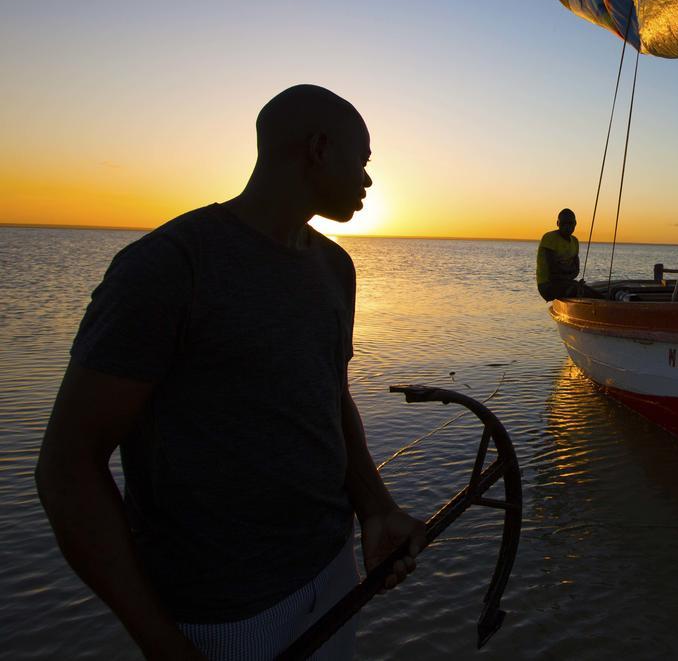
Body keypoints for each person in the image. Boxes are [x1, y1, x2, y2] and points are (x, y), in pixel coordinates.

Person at [35, 84, 427, 660]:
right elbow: (68, 469)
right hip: (224, 616)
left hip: (334, 569)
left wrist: (375, 508)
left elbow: (329, 396)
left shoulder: (335, 267)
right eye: (363, 161)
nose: (368, 180)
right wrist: (163, 645)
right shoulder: (168, 268)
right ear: (318, 148)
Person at [536, 209, 605, 301]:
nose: (567, 226)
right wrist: (568, 274)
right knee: (584, 291)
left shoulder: (575, 241)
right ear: (557, 223)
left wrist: (566, 274)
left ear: (575, 223)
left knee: (595, 292)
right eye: (563, 223)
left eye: (570, 223)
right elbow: (553, 271)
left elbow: (576, 270)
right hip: (548, 286)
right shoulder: (550, 238)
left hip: (566, 283)